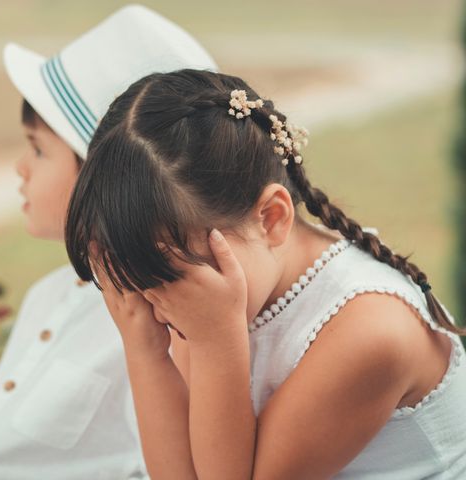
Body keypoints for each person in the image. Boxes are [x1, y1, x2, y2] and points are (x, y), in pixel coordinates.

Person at [65, 69, 466, 479]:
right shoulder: (201, 291)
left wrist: (217, 342)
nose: (159, 306)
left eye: (165, 278)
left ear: (272, 218)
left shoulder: (372, 331)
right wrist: (145, 353)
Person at [0, 7, 217, 480]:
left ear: (104, 178)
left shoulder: (159, 327)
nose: (20, 168)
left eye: (39, 149)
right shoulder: (47, 294)